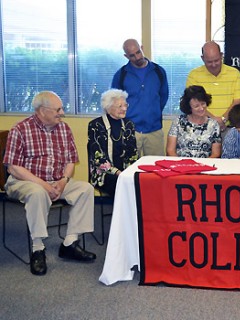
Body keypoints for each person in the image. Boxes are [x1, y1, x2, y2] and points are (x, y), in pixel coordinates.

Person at [3, 91, 96, 276]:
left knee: (85, 189)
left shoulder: (64, 128)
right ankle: (38, 248)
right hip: (24, 181)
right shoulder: (20, 129)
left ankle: (69, 243)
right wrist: (44, 186)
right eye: (58, 109)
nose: (62, 113)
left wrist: (63, 181)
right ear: (42, 111)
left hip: (56, 181)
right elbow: (13, 168)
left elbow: (71, 161)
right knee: (37, 193)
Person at [111, 39, 169, 157]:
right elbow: (114, 101)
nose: (137, 57)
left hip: (154, 130)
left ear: (142, 48)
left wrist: (153, 112)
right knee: (129, 169)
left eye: (138, 52)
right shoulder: (121, 74)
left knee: (156, 170)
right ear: (126, 56)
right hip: (130, 131)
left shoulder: (158, 71)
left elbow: (163, 96)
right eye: (132, 55)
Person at [87, 89, 138, 197]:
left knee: (140, 182)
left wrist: (130, 172)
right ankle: (122, 213)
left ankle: (131, 212)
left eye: (125, 105)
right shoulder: (95, 125)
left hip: (124, 171)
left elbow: (132, 154)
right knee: (121, 184)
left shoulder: (129, 124)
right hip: (104, 173)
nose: (124, 109)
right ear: (108, 108)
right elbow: (98, 159)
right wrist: (118, 173)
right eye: (120, 106)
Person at [186, 41, 240, 131]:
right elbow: (194, 103)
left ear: (221, 55)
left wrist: (223, 119)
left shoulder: (234, 73)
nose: (213, 65)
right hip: (203, 127)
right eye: (209, 62)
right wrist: (214, 120)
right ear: (202, 58)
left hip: (230, 126)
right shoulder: (194, 75)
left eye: (216, 60)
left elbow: (237, 100)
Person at [166, 85, 221, 158]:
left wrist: (202, 166)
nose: (201, 108)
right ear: (189, 107)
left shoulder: (214, 125)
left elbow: (216, 154)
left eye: (203, 104)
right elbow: (170, 151)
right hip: (181, 165)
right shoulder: (178, 122)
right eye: (196, 106)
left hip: (206, 165)